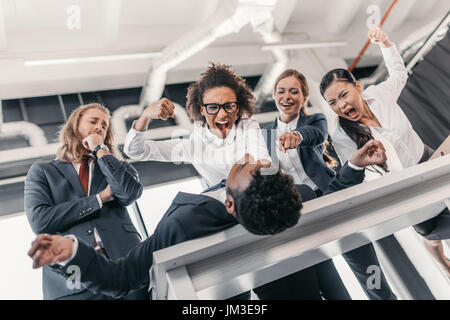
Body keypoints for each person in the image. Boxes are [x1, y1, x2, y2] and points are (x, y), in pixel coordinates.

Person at [28, 140, 387, 300]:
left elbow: (122, 277)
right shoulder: (291, 197)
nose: (258, 162)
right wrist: (354, 166)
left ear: (230, 205)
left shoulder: (183, 227)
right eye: (266, 168)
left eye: (251, 171)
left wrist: (72, 250)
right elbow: (329, 200)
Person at [320, 27, 450, 277]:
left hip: (428, 158)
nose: (342, 105)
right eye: (333, 103)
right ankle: (439, 256)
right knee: (428, 228)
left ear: (357, 87)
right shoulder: (341, 135)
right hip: (403, 185)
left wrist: (386, 43)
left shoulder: (379, 94)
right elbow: (356, 175)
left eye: (344, 95)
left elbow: (399, 73)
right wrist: (368, 165)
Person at [265, 69, 396, 300]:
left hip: (331, 198)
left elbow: (315, 134)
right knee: (328, 284)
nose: (287, 96)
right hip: (300, 214)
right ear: (274, 96)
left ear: (304, 98)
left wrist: (298, 136)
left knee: (370, 274)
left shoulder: (315, 120)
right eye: (281, 91)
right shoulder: (265, 136)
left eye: (294, 91)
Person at [24, 103, 148, 300]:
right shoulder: (42, 171)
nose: (99, 127)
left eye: (104, 125)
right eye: (93, 121)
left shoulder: (115, 166)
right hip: (72, 282)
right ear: (75, 126)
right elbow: (40, 220)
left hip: (127, 269)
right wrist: (100, 198)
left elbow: (128, 193)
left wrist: (100, 148)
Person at [124, 63, 270, 187]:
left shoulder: (248, 127)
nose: (222, 114)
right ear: (202, 110)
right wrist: (145, 116)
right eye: (213, 107)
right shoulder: (195, 147)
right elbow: (135, 151)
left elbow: (261, 156)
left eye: (229, 106)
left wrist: (260, 165)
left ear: (237, 107)